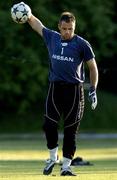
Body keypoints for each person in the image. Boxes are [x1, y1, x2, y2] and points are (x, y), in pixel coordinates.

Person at [24, 3, 98, 176]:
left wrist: (93, 89)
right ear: (59, 26)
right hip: (55, 88)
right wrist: (27, 13)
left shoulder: (82, 44)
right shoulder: (52, 37)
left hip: (74, 91)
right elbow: (37, 24)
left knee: (70, 130)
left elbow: (93, 68)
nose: (67, 32)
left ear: (74, 27)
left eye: (70, 29)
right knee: (49, 125)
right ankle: (53, 157)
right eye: (64, 28)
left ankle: (66, 168)